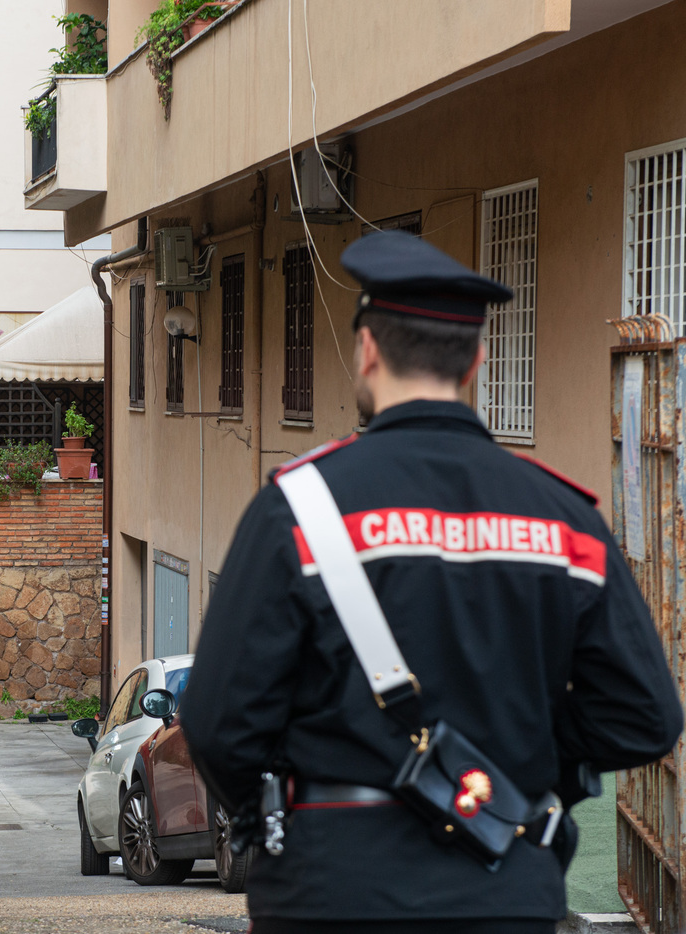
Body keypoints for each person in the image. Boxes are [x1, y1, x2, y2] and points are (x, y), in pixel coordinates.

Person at [181, 230, 682, 934]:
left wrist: (292, 818)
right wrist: (520, 768)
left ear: (368, 350)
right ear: (476, 362)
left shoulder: (299, 510)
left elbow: (216, 722)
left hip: (329, 892)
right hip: (504, 885)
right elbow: (646, 718)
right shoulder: (567, 521)